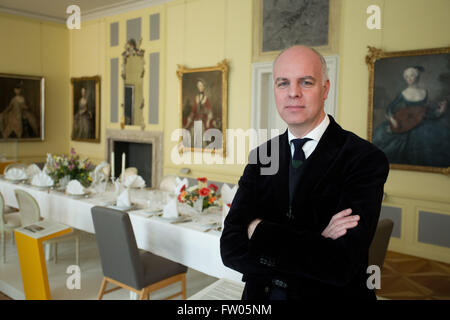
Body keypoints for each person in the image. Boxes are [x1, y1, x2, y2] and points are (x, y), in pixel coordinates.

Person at [220, 45, 390, 300]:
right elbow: (230, 248)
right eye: (283, 83)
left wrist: (259, 230)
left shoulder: (364, 159)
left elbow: (340, 264)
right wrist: (315, 240)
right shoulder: (262, 156)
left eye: (306, 82)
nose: (293, 93)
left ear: (325, 89)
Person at [373, 66, 449, 167]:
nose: (409, 79)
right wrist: (393, 119)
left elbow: (427, 110)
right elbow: (390, 108)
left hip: (423, 120)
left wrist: (440, 110)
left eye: (412, 76)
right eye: (407, 77)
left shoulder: (424, 92)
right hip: (407, 122)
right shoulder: (403, 93)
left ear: (416, 76)